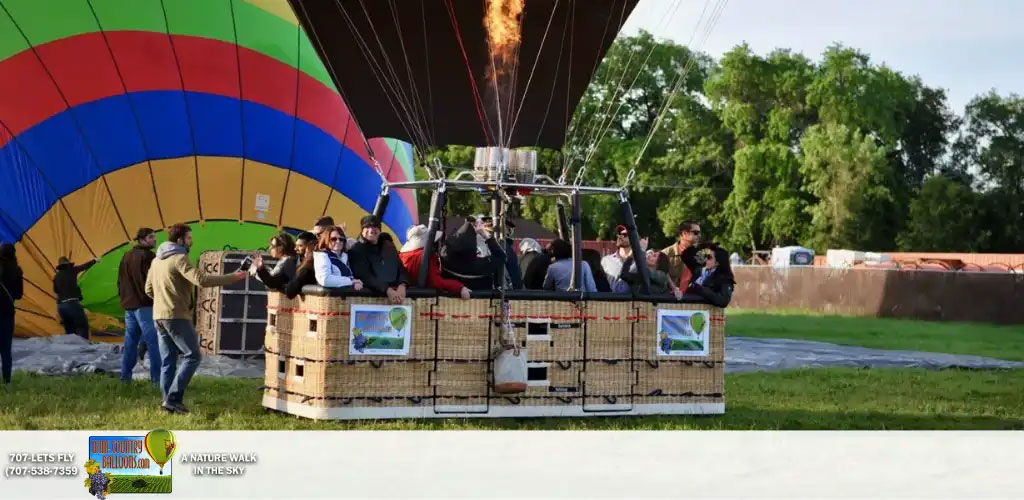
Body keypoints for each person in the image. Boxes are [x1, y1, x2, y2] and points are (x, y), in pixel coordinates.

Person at [145, 223, 246, 414]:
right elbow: (202, 280)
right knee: (193, 356)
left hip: (158, 316)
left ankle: (167, 402)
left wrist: (164, 300)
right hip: (176, 316)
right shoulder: (179, 258)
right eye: (189, 238)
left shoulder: (156, 261)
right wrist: (233, 277)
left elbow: (148, 290)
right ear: (180, 240)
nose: (192, 241)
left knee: (168, 361)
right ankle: (174, 399)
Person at [116, 228, 160, 385]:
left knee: (130, 342)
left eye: (154, 237)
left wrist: (124, 298)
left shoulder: (126, 256)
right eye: (150, 237)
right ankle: (158, 380)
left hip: (129, 306)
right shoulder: (149, 257)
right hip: (145, 305)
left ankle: (125, 377)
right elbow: (154, 281)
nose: (154, 240)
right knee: (154, 342)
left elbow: (119, 281)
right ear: (141, 240)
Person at [399, 225, 471, 299]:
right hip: (423, 299)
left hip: (406, 298)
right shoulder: (427, 256)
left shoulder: (402, 256)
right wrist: (459, 287)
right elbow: (436, 282)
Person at [348, 216, 409, 304]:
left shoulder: (389, 247)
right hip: (371, 299)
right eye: (368, 227)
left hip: (396, 296)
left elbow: (400, 268)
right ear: (362, 230)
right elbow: (364, 276)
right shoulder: (356, 250)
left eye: (375, 226)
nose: (372, 230)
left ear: (380, 229)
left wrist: (403, 285)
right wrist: (387, 290)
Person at [440, 219, 506, 290]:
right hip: (480, 298)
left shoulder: (444, 258)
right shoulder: (480, 266)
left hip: (448, 297)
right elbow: (501, 257)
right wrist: (485, 235)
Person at [53, 255, 100, 340]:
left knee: (69, 330)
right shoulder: (72, 270)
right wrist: (95, 260)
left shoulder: (56, 276)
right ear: (68, 263)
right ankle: (83, 349)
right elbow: (84, 266)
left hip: (61, 307)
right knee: (82, 326)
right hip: (72, 304)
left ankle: (72, 349)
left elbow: (56, 291)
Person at [0, 243, 24, 387]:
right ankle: (7, 381)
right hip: (7, 313)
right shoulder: (17, 270)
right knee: (5, 349)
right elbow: (18, 294)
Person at [662, 220, 703, 288]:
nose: (699, 235)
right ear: (684, 234)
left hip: (692, 296)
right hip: (670, 296)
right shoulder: (665, 254)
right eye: (696, 233)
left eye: (699, 233)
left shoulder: (699, 255)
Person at [284, 232, 320, 299]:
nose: (295, 249)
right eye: (296, 245)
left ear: (310, 247)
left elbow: (290, 292)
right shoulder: (291, 262)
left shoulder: (309, 268)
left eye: (300, 246)